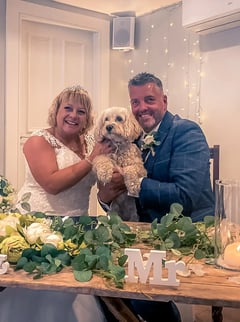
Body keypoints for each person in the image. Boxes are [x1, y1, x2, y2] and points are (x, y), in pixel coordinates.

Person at [97, 72, 215, 322]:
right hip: (143, 232)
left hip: (185, 234)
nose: (141, 108)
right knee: (101, 284)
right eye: (135, 102)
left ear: (164, 101)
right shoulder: (133, 137)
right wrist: (105, 198)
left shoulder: (186, 132)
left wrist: (134, 183)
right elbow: (113, 192)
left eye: (149, 99)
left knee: (138, 295)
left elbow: (184, 196)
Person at [0, 85, 112, 322]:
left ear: (88, 118)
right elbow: (51, 183)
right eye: (68, 108)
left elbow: (104, 186)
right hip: (37, 228)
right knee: (38, 290)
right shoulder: (37, 141)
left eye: (81, 111)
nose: (73, 115)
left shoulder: (92, 142)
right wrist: (92, 159)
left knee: (67, 293)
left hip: (77, 229)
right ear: (57, 111)